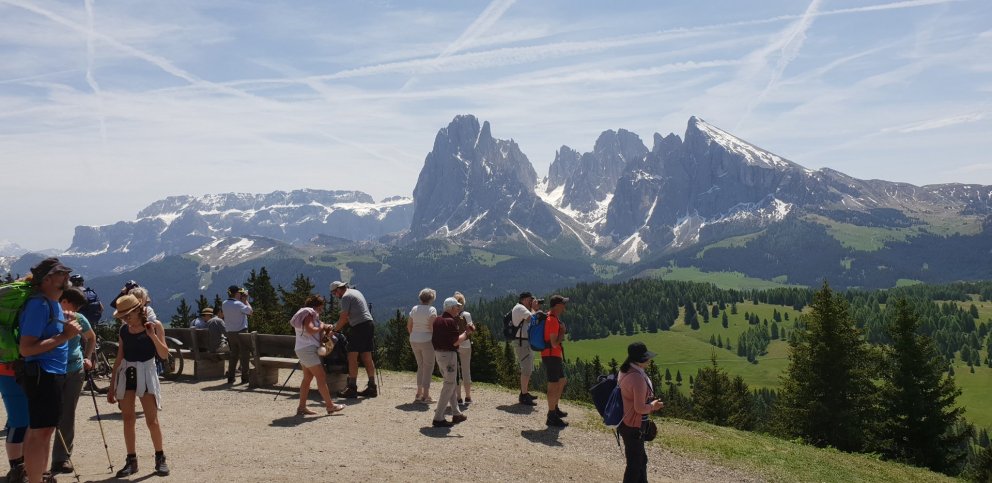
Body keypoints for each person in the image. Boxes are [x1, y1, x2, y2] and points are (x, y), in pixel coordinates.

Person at [18, 257, 81, 483]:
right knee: (40, 432)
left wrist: (64, 324)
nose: (66, 278)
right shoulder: (39, 305)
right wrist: (65, 336)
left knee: (45, 431)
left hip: (52, 373)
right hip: (42, 374)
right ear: (47, 279)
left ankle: (39, 476)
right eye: (61, 274)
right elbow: (26, 348)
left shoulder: (53, 304)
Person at [107, 294, 170, 477]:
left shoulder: (155, 326)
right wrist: (111, 387)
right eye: (123, 316)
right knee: (128, 419)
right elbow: (119, 357)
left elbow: (164, 355)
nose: (126, 319)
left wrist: (152, 336)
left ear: (138, 310)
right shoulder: (124, 331)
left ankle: (160, 458)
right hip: (127, 374)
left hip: (147, 373)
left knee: (152, 421)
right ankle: (131, 460)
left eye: (128, 314)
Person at [50, 287, 96, 475]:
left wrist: (88, 357)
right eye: (73, 304)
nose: (75, 309)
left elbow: (91, 337)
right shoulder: (51, 318)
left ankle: (61, 459)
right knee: (49, 416)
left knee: (67, 414)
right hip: (52, 370)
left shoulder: (79, 318)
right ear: (63, 300)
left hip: (75, 370)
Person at [289, 295, 345, 415]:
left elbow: (316, 326)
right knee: (321, 376)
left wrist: (326, 326)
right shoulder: (309, 313)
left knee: (307, 378)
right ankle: (330, 406)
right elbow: (310, 330)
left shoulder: (306, 314)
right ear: (316, 306)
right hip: (307, 350)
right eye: (320, 308)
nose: (321, 311)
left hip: (302, 349)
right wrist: (321, 326)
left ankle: (302, 408)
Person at [618, 342, 664, 483]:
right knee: (635, 464)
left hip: (626, 422)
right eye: (646, 358)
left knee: (640, 460)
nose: (649, 360)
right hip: (634, 425)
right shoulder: (637, 378)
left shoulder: (625, 370)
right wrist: (653, 406)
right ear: (638, 360)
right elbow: (639, 408)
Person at [329, 281, 378, 398]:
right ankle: (372, 387)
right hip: (368, 324)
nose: (335, 296)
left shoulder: (346, 297)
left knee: (352, 356)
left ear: (338, 290)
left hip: (359, 327)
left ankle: (352, 388)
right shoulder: (355, 292)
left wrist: (334, 330)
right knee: (367, 356)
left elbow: (344, 318)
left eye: (334, 293)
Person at [431, 297, 472, 428]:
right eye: (456, 307)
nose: (458, 309)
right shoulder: (450, 321)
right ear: (451, 308)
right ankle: (438, 417)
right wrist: (467, 333)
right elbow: (455, 341)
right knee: (449, 384)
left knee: (451, 383)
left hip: (438, 354)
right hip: (449, 355)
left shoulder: (437, 319)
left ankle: (456, 413)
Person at [543, 294, 569, 428]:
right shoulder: (552, 320)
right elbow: (553, 343)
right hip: (552, 355)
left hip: (553, 356)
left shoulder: (553, 318)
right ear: (557, 305)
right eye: (563, 303)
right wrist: (562, 332)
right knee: (553, 384)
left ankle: (555, 408)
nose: (565, 306)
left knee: (562, 380)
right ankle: (551, 415)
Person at [407, 288, 437, 404]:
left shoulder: (414, 309)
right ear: (431, 299)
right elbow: (431, 326)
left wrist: (414, 335)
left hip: (414, 339)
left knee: (420, 365)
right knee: (428, 367)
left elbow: (409, 325)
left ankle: (418, 393)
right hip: (427, 340)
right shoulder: (432, 309)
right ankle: (426, 396)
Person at [511, 292, 538, 406]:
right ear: (524, 299)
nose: (531, 301)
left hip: (526, 342)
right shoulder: (520, 308)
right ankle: (523, 395)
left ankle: (525, 392)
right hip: (522, 342)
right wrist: (534, 308)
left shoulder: (522, 308)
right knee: (526, 369)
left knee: (528, 368)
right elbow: (533, 320)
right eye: (529, 299)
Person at [222, 285, 252, 384]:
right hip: (241, 332)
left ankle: (231, 377)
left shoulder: (224, 303)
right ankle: (245, 378)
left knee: (233, 355)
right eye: (240, 293)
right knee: (244, 355)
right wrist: (245, 300)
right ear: (237, 293)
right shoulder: (239, 304)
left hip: (230, 333)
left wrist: (241, 299)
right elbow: (250, 312)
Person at [453, 292, 475, 406]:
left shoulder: (451, 314)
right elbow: (471, 328)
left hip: (454, 345)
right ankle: (468, 396)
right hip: (465, 344)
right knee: (466, 370)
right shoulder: (466, 314)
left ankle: (458, 398)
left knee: (456, 372)